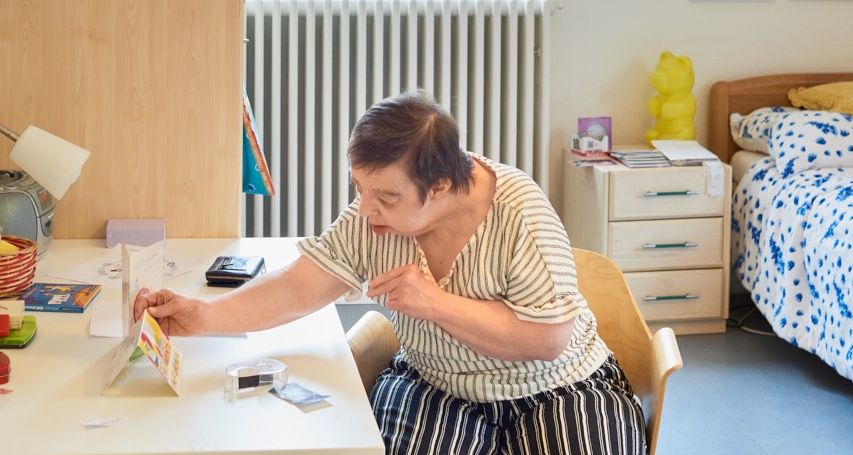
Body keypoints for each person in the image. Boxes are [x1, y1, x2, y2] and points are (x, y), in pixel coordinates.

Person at [134, 90, 646, 455]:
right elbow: (299, 286)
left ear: (441, 185)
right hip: (437, 381)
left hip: (557, 386)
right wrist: (203, 316)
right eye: (360, 187)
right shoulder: (373, 217)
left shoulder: (520, 214)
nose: (367, 209)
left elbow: (548, 339)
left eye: (387, 196)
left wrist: (433, 302)